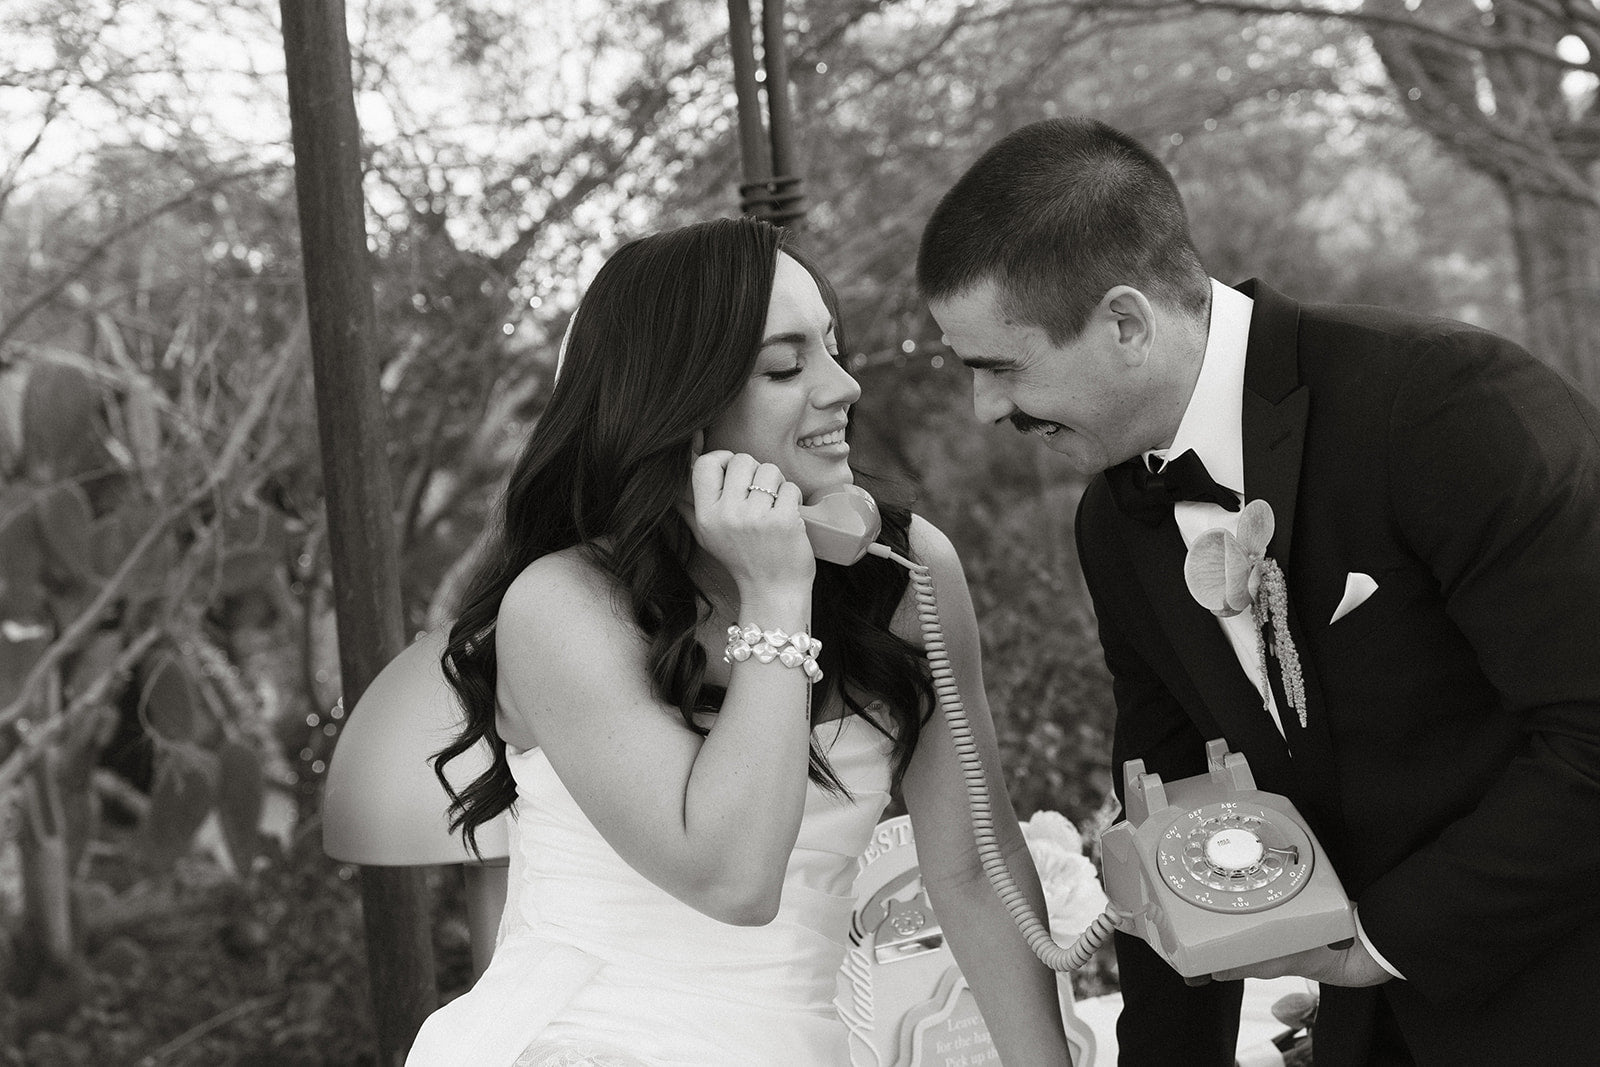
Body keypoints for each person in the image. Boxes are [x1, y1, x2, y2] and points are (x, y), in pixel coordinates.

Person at [916, 117, 1600, 1066]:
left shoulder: (1445, 403)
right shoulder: (1113, 525)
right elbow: (1168, 816)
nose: (987, 408)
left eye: (1001, 366)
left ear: (1125, 322)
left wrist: (1377, 943)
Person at [406, 216, 1072, 1066]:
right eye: (787, 366)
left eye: (833, 348)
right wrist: (776, 591)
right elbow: (733, 875)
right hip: (585, 1039)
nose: (842, 387)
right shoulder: (561, 604)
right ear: (681, 408)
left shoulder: (904, 572)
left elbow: (976, 872)